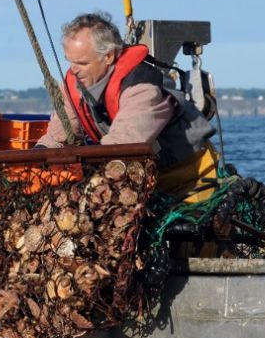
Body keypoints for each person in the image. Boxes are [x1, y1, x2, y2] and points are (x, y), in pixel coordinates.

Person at [35, 12, 219, 202]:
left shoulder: (141, 86)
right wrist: (38, 153)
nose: (73, 70)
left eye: (82, 63)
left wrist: (88, 184)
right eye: (70, 61)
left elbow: (124, 143)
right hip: (148, 177)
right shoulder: (75, 82)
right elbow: (62, 130)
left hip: (189, 174)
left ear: (108, 56)